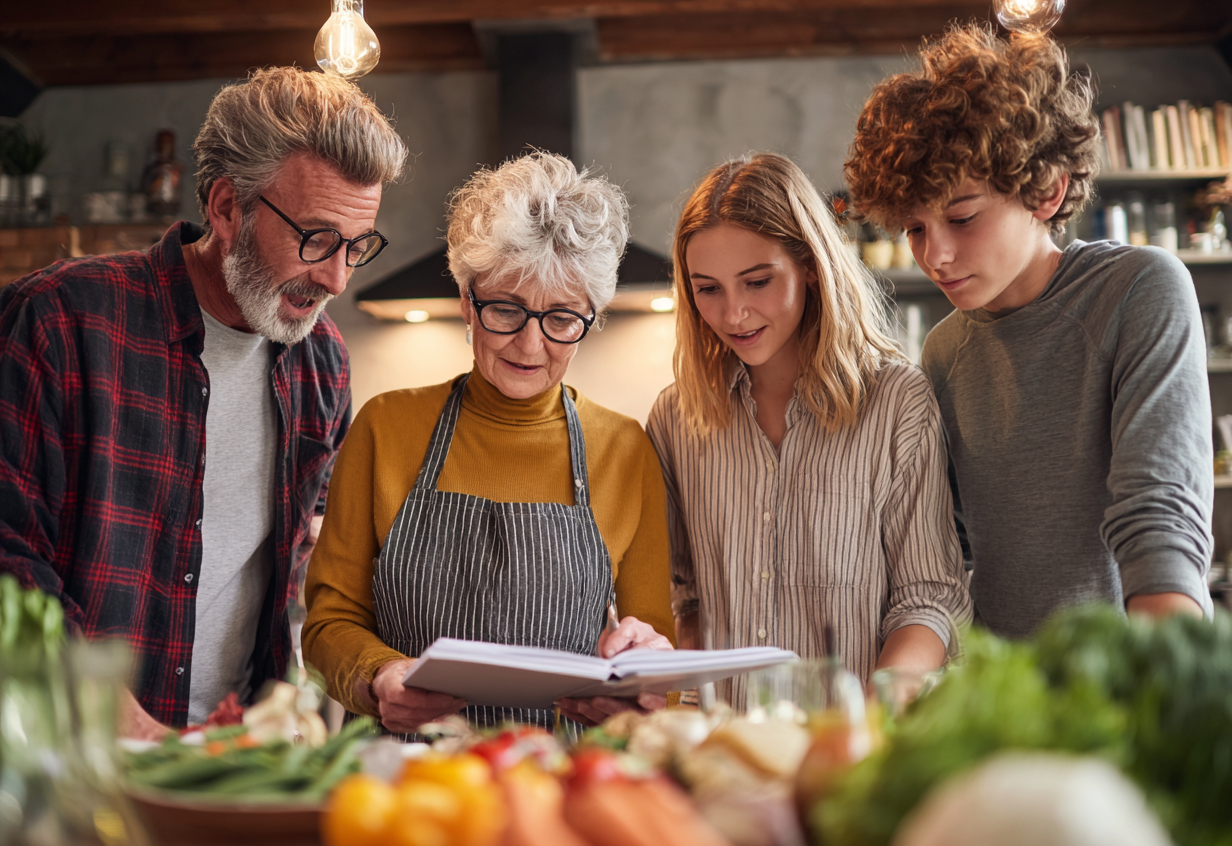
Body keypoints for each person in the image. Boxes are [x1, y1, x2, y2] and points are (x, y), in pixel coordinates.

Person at [0, 67, 407, 736]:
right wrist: (109, 714)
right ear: (225, 209)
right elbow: (8, 554)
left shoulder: (322, 361)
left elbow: (307, 568)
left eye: (355, 247)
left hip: (231, 762)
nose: (335, 277)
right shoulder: (59, 322)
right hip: (67, 761)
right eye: (316, 239)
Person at [845, 25, 1213, 636]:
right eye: (913, 228)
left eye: (962, 217)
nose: (934, 255)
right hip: (1002, 697)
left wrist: (1163, 679)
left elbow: (1159, 513)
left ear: (1046, 190)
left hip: (1123, 679)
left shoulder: (1139, 289)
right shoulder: (943, 353)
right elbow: (949, 552)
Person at [303, 152, 674, 737]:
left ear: (590, 318)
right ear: (466, 301)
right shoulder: (384, 428)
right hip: (403, 779)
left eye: (561, 318)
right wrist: (378, 677)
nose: (529, 346)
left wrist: (643, 671)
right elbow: (329, 623)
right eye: (505, 309)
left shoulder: (626, 449)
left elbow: (652, 641)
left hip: (557, 786)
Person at [645, 153, 971, 708]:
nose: (734, 315)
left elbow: (929, 599)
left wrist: (867, 724)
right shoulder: (676, 419)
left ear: (811, 266)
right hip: (724, 754)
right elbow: (684, 599)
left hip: (855, 752)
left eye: (757, 282)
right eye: (709, 289)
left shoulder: (897, 403)